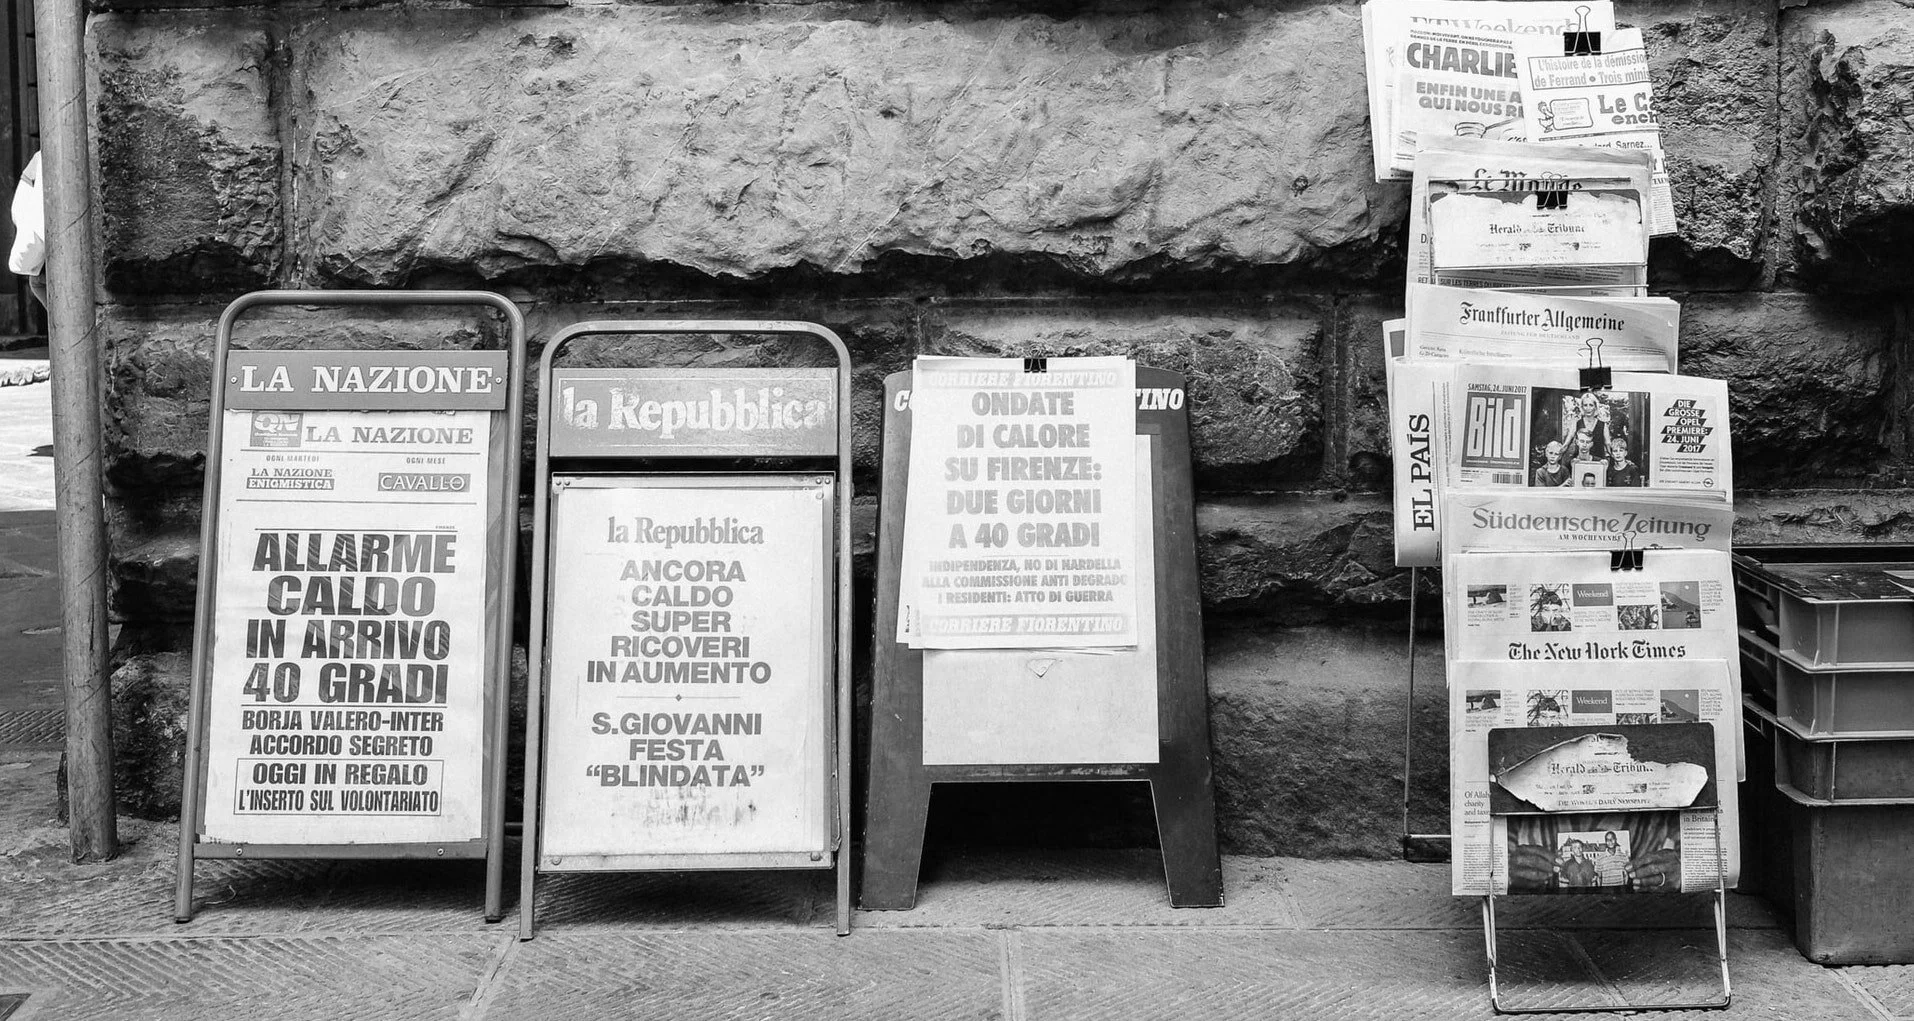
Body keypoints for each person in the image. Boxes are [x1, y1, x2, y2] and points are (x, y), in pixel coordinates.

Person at [1506, 812, 1682, 894]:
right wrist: (1507, 871)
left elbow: (1691, 834)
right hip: (1543, 913)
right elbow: (1498, 840)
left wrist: (1682, 870)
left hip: (1637, 916)